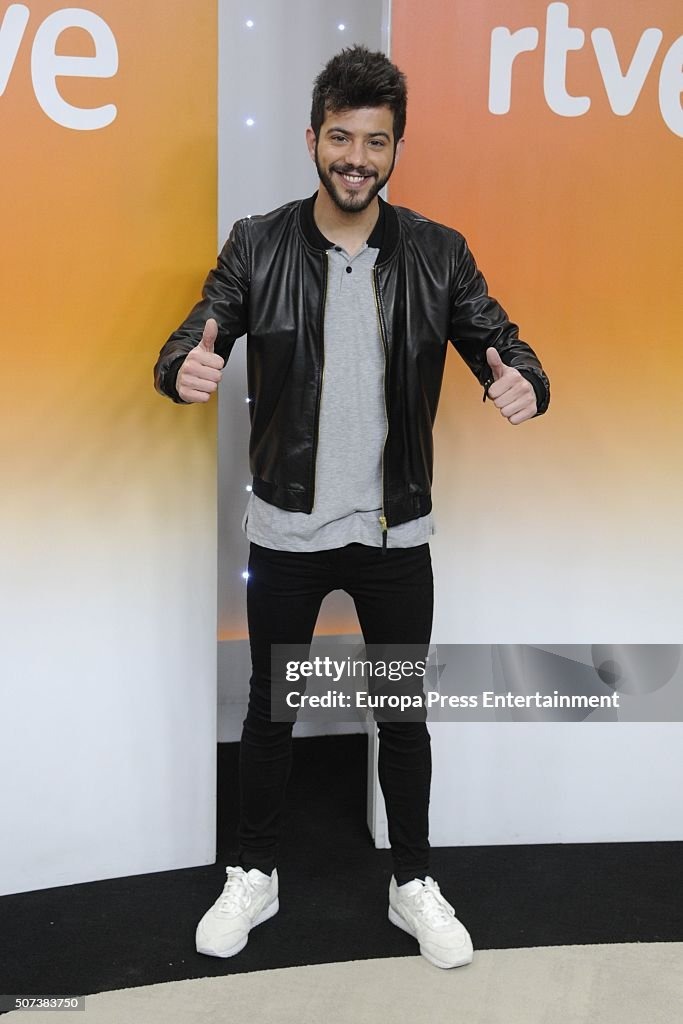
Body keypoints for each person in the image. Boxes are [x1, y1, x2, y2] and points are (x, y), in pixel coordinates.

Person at [153, 45, 550, 971]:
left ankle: (412, 882)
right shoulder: (257, 243)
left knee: (400, 715)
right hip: (285, 532)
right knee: (271, 712)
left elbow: (500, 339)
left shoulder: (439, 253)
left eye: (375, 141)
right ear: (312, 140)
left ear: (396, 148)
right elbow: (195, 332)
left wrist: (525, 378)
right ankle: (255, 872)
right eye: (341, 138)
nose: (356, 158)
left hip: (393, 532)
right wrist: (181, 369)